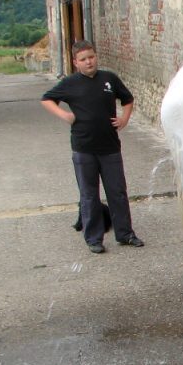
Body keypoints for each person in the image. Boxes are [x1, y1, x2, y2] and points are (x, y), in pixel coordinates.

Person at [41, 40, 144, 254]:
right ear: (75, 62)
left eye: (91, 57)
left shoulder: (109, 79)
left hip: (110, 148)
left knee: (117, 192)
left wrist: (124, 118)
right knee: (89, 195)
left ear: (96, 56)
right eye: (83, 59)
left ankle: (125, 233)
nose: (89, 62)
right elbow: (47, 99)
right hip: (83, 148)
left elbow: (127, 99)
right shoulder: (70, 84)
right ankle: (94, 238)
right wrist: (65, 115)